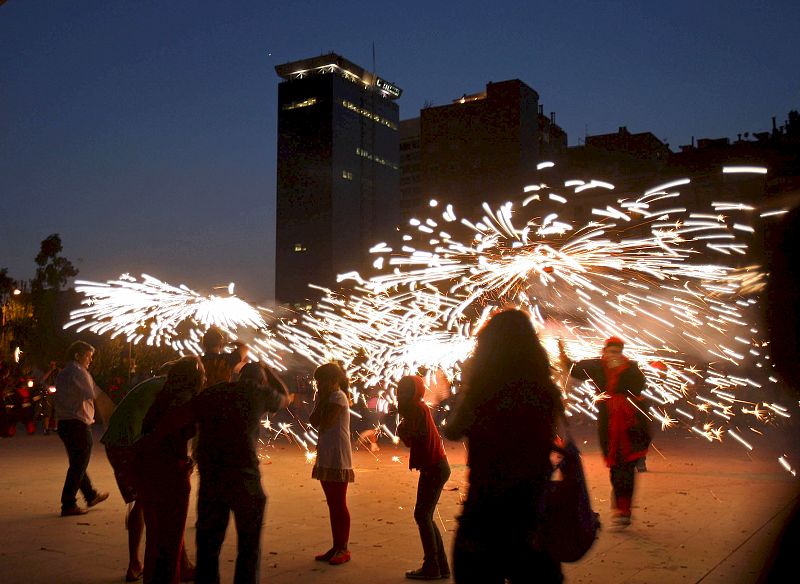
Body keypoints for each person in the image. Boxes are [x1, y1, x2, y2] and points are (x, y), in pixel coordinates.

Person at [444, 309, 564, 583]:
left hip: (486, 510)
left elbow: (452, 430)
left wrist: (468, 386)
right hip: (532, 510)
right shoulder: (545, 391)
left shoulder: (481, 393)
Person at [143, 361, 289, 584]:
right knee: (249, 547)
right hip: (245, 479)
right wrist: (268, 370)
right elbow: (285, 397)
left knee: (208, 548)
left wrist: (149, 443)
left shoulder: (213, 392)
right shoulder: (258, 391)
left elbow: (176, 419)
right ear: (261, 381)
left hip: (212, 479)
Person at [101, 361, 197, 583]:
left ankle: (180, 564)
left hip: (119, 442)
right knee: (145, 504)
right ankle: (135, 564)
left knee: (148, 504)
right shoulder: (171, 390)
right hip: (130, 444)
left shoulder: (154, 385)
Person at [559, 336, 650, 526]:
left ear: (621, 354)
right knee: (614, 464)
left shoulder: (631, 368)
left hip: (631, 422)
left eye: (617, 352)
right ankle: (620, 504)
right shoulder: (596, 366)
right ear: (604, 352)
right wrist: (562, 353)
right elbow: (574, 369)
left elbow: (639, 386)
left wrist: (623, 370)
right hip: (608, 423)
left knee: (627, 465)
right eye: (610, 352)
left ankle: (624, 508)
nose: (613, 355)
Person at [396, 375, 451, 580]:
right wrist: (404, 428)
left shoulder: (416, 409)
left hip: (434, 467)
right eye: (399, 390)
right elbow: (414, 438)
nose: (400, 395)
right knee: (425, 515)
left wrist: (403, 429)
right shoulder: (418, 408)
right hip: (436, 466)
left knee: (422, 515)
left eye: (404, 391)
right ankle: (440, 565)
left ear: (414, 392)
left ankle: (432, 566)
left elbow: (417, 436)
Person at [54, 341, 109, 516]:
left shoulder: (63, 372)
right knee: (78, 464)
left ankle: (90, 495)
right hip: (77, 423)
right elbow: (91, 393)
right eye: (88, 356)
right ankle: (68, 503)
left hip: (65, 423)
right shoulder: (78, 371)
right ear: (77, 356)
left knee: (77, 462)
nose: (90, 360)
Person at [309, 362, 355, 566]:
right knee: (332, 503)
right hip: (327, 454)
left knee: (338, 503)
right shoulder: (327, 397)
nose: (319, 385)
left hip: (337, 456)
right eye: (317, 382)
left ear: (334, 381)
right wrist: (321, 399)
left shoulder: (338, 397)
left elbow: (326, 422)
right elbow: (313, 421)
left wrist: (323, 400)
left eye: (322, 381)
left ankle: (343, 548)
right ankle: (336, 546)